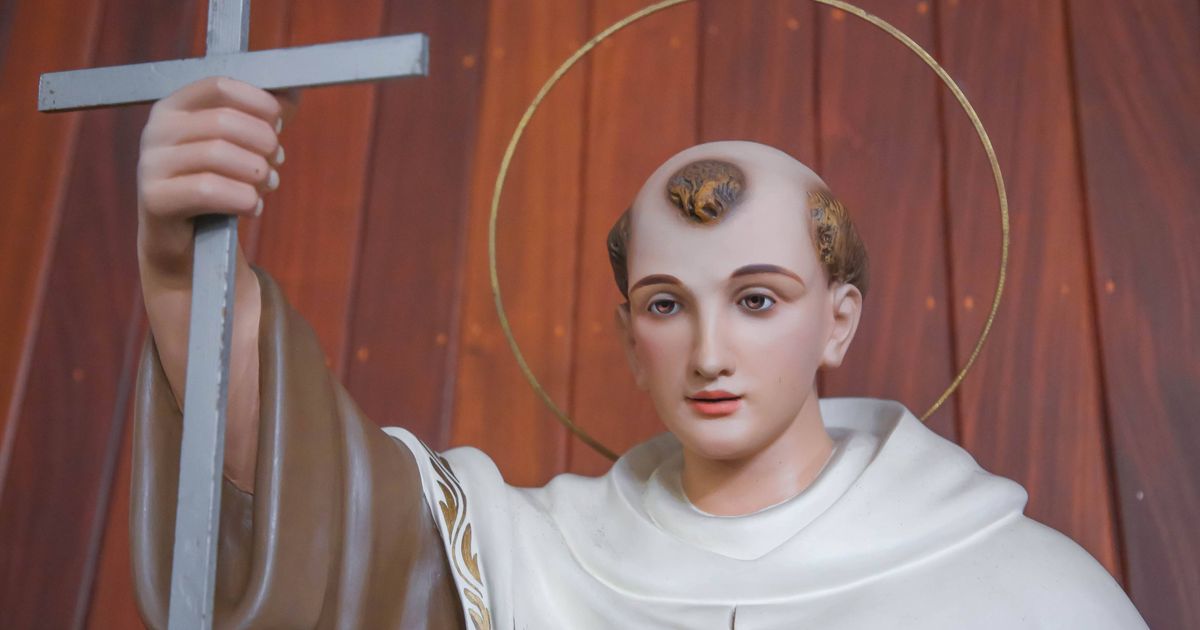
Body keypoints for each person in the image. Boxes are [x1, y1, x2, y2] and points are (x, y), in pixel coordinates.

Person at [131, 77, 1146, 628]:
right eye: (666, 305)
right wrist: (185, 274)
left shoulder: (1020, 587)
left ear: (839, 321)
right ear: (628, 337)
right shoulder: (536, 559)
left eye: (757, 299)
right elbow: (333, 510)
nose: (709, 352)